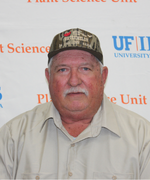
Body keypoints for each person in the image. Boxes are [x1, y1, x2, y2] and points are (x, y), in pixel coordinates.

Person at [0, 28, 150, 179]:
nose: (74, 80)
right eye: (63, 70)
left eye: (85, 69)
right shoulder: (13, 136)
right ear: (49, 77)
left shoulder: (142, 138)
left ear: (103, 76)